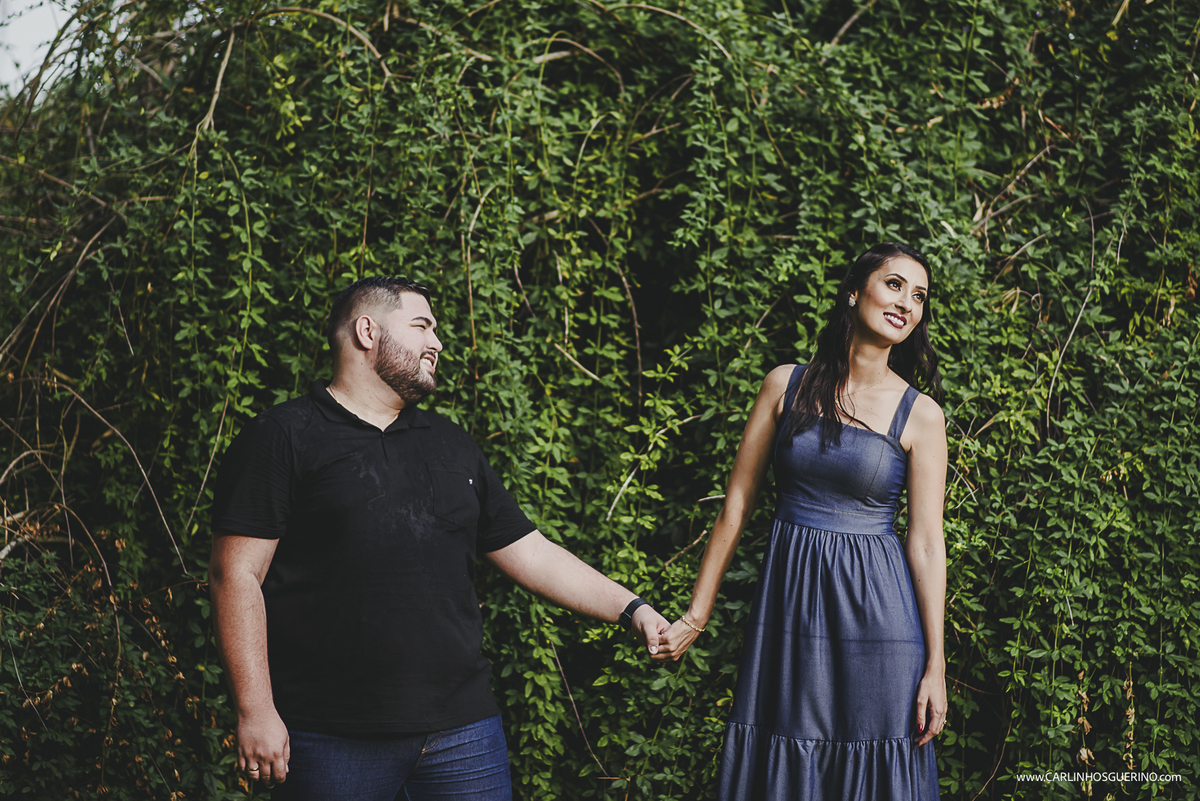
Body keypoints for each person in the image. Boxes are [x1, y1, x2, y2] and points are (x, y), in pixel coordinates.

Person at [208, 276, 670, 801]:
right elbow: (235, 575)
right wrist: (255, 710)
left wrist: (632, 609)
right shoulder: (282, 436)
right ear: (367, 332)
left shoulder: (451, 443)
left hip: (463, 734)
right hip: (331, 735)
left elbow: (532, 552)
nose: (438, 342)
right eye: (422, 326)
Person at [655, 243, 948, 799]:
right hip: (790, 608)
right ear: (854, 291)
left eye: (919, 297)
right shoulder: (785, 385)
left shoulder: (922, 414)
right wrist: (696, 615)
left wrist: (936, 665)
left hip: (880, 622)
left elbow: (928, 544)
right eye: (894, 285)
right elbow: (736, 505)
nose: (907, 303)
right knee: (787, 753)